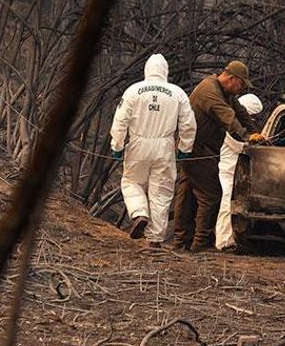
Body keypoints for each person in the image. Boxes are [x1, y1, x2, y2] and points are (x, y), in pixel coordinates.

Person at [173, 61, 266, 252]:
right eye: (241, 85)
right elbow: (227, 117)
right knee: (211, 194)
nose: (241, 90)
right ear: (233, 79)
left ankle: (181, 241)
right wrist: (246, 136)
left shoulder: (225, 92)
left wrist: (256, 132)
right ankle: (201, 242)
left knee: (188, 192)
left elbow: (239, 111)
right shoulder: (210, 91)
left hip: (197, 149)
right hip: (196, 150)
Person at [110, 54, 196, 248]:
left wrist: (117, 145)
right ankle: (155, 240)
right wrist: (184, 147)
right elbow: (189, 123)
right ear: (165, 71)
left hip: (138, 145)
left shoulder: (133, 91)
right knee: (161, 192)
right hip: (164, 147)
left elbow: (120, 119)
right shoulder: (177, 93)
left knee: (131, 182)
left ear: (147, 70)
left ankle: (140, 213)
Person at [215, 93, 263, 251]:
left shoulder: (240, 126)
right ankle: (223, 242)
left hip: (237, 174)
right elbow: (239, 145)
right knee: (226, 206)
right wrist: (254, 142)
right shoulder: (230, 127)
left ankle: (233, 240)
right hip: (227, 172)